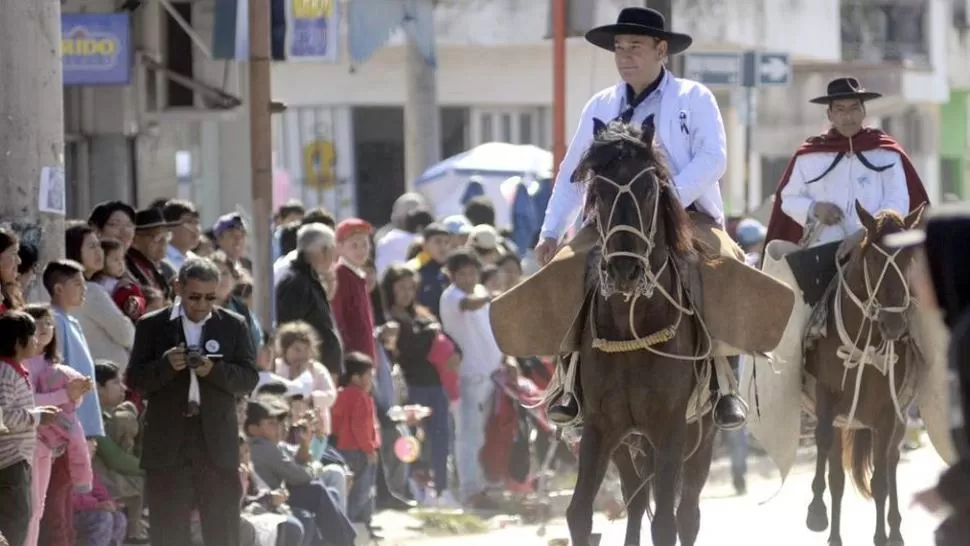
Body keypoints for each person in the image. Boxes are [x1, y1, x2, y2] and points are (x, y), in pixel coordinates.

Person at [532, 6, 746, 428]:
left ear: (661, 49)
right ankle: (570, 383)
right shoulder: (601, 104)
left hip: (689, 215)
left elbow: (714, 158)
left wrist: (667, 201)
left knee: (730, 268)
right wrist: (551, 230)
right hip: (614, 224)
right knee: (564, 272)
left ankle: (724, 384)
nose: (625, 55)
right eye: (619, 47)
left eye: (636, 46)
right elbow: (574, 173)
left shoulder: (693, 97)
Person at [126, 257, 259, 546]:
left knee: (222, 526)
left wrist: (214, 371)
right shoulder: (153, 325)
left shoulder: (233, 325)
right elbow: (135, 380)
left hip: (216, 440)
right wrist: (165, 366)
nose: (201, 305)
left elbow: (249, 378)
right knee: (168, 527)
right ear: (178, 288)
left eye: (210, 298)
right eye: (194, 297)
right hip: (168, 439)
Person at [764, 77, 929, 249]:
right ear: (830, 114)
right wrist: (814, 208)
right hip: (822, 249)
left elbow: (897, 201)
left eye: (854, 108)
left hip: (876, 249)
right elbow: (788, 199)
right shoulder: (809, 156)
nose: (848, 116)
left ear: (864, 111)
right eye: (840, 109)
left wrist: (865, 233)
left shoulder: (886, 153)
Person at [439, 249, 504, 507]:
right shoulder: (452, 296)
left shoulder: (479, 293)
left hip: (491, 377)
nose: (468, 277)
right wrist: (493, 295)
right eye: (462, 273)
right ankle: (469, 491)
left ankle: (480, 486)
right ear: (452, 276)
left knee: (481, 435)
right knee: (468, 436)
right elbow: (469, 305)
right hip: (468, 378)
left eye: (472, 272)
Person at [0, 310, 61, 546]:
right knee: (13, 524)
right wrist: (37, 417)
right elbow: (3, 416)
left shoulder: (14, 369)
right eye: (33, 336)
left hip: (17, 461)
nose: (38, 341)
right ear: (18, 342)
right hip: (8, 464)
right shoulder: (4, 372)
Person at [275, 223, 344, 375]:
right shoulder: (296, 283)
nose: (335, 257)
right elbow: (288, 330)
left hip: (319, 373)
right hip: (305, 375)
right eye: (333, 250)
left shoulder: (307, 280)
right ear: (325, 251)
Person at [332, 218, 378, 362]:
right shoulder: (340, 275)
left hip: (365, 359)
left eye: (365, 244)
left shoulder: (358, 275)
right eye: (354, 245)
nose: (361, 250)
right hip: (354, 362)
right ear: (339, 247)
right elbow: (338, 319)